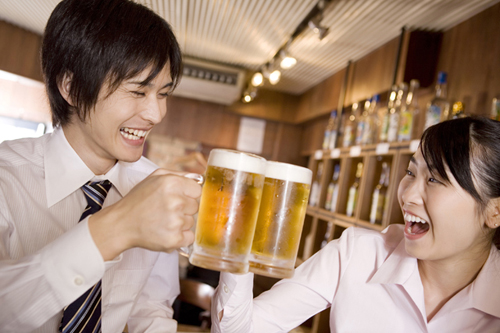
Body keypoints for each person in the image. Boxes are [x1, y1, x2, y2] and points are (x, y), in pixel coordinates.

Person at [0, 0, 202, 332]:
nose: (156, 114)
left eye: (163, 94)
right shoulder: (7, 177)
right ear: (71, 88)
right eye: (138, 91)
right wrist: (118, 227)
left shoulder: (153, 186)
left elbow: (150, 309)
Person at [211, 116, 500, 332]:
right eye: (410, 172)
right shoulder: (357, 253)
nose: (407, 194)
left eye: (435, 179)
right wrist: (237, 246)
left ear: (494, 212)